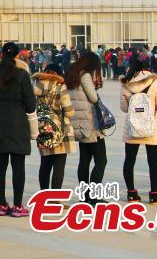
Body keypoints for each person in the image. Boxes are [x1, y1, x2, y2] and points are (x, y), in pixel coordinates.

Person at [0, 41, 36, 218]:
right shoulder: (22, 75)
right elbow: (30, 105)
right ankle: (17, 206)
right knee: (18, 166)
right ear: (17, 56)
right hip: (17, 124)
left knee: (0, 165)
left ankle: (1, 205)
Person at [119, 56, 157, 203]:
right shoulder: (155, 83)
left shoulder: (126, 83)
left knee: (129, 160)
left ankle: (132, 193)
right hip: (152, 128)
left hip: (132, 128)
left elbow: (123, 108)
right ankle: (154, 194)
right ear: (148, 68)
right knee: (153, 161)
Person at [65, 51, 107, 204]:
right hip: (90, 124)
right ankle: (94, 197)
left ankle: (85, 195)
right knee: (101, 161)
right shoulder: (85, 75)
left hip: (78, 123)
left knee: (84, 160)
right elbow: (93, 98)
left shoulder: (71, 74)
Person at [31, 64, 76, 191]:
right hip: (60, 130)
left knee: (45, 164)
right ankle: (54, 200)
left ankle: (43, 195)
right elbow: (68, 111)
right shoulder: (60, 87)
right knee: (59, 166)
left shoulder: (35, 88)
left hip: (43, 129)